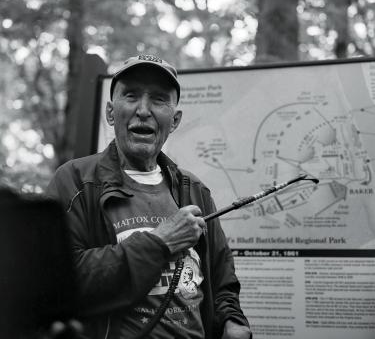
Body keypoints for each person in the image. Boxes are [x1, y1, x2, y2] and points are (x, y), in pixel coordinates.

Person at [47, 54, 251, 339]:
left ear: (175, 119)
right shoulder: (76, 182)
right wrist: (159, 242)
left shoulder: (193, 189)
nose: (143, 110)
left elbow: (221, 278)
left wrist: (232, 320)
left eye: (158, 99)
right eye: (131, 96)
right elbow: (57, 281)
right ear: (110, 112)